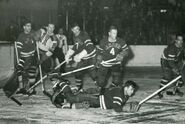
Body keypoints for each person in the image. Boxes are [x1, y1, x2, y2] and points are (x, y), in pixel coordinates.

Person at [50, 77, 139, 112]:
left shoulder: (124, 94)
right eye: (131, 89)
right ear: (126, 88)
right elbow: (117, 108)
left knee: (85, 105)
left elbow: (117, 103)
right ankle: (61, 82)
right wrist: (126, 109)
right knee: (71, 98)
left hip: (97, 101)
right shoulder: (119, 94)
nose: (132, 92)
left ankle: (70, 104)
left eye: (133, 90)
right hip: (95, 98)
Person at [96, 26, 129, 94]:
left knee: (117, 81)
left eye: (116, 33)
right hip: (105, 63)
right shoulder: (103, 41)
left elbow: (127, 50)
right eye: (113, 33)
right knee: (100, 82)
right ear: (109, 33)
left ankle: (112, 91)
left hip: (116, 63)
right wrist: (98, 60)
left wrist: (122, 54)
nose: (115, 35)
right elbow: (99, 52)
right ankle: (100, 90)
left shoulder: (121, 41)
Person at [65, 23, 97, 91]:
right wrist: (68, 54)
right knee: (78, 72)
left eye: (77, 29)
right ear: (72, 30)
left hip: (91, 57)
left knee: (93, 74)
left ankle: (101, 89)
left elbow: (90, 47)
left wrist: (79, 56)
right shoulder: (75, 36)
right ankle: (79, 89)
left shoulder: (84, 35)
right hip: (84, 58)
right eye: (74, 29)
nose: (76, 31)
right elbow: (76, 47)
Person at [158, 34, 184, 98]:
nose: (180, 41)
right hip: (166, 62)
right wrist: (176, 69)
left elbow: (181, 56)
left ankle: (176, 90)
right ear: (176, 40)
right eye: (178, 40)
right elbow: (170, 62)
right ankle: (160, 91)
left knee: (178, 77)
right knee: (168, 77)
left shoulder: (182, 47)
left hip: (175, 61)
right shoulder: (172, 48)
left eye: (181, 40)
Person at [15, 20, 37, 95]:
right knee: (19, 71)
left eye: (30, 26)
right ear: (24, 27)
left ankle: (31, 89)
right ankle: (21, 88)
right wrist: (19, 59)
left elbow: (34, 47)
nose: (29, 27)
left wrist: (34, 54)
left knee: (32, 71)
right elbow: (18, 49)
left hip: (31, 57)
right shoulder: (21, 36)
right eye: (27, 26)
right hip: (23, 57)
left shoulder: (32, 36)